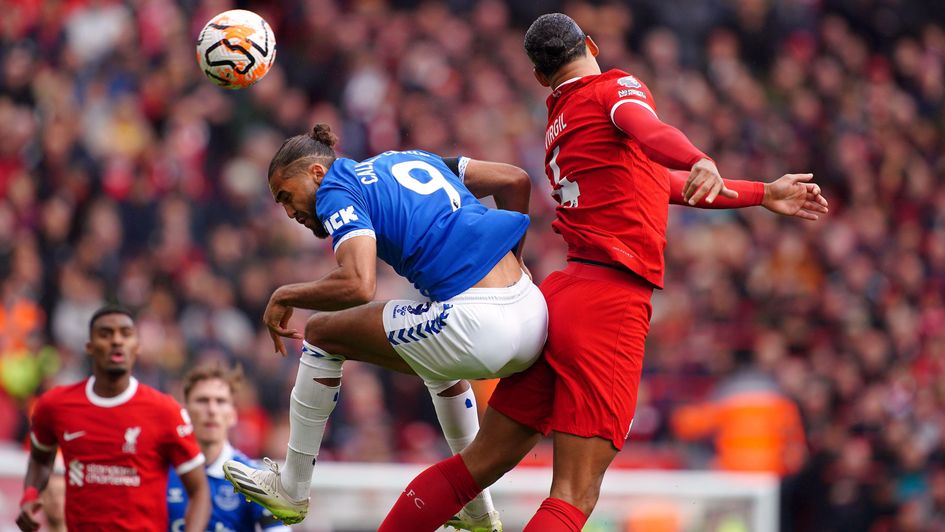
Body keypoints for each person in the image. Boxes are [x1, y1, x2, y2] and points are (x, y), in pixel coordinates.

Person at [379, 13, 829, 531]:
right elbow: (651, 129)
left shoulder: (561, 124)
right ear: (590, 44)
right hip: (610, 304)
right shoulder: (614, 87)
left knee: (475, 466)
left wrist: (762, 193)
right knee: (575, 494)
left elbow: (662, 182)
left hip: (563, 295)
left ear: (539, 77)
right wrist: (699, 155)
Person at [222, 124, 547, 531]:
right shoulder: (408, 158)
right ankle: (479, 514)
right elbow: (514, 179)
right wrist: (511, 262)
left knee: (322, 334)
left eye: (286, 196)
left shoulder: (335, 190)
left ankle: (292, 488)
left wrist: (285, 295)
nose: (288, 212)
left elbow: (359, 284)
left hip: (479, 324)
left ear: (317, 175)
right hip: (532, 314)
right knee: (435, 361)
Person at [16, 305, 211, 532]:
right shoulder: (55, 405)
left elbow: (199, 491)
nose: (116, 341)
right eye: (105, 334)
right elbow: (40, 459)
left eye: (125, 334)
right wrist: (30, 495)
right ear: (89, 346)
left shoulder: (165, 411)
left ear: (136, 347)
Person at [167, 361, 290, 532]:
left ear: (232, 415)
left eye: (220, 401)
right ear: (185, 412)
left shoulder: (256, 478)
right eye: (202, 400)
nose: (212, 410)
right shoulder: (162, 471)